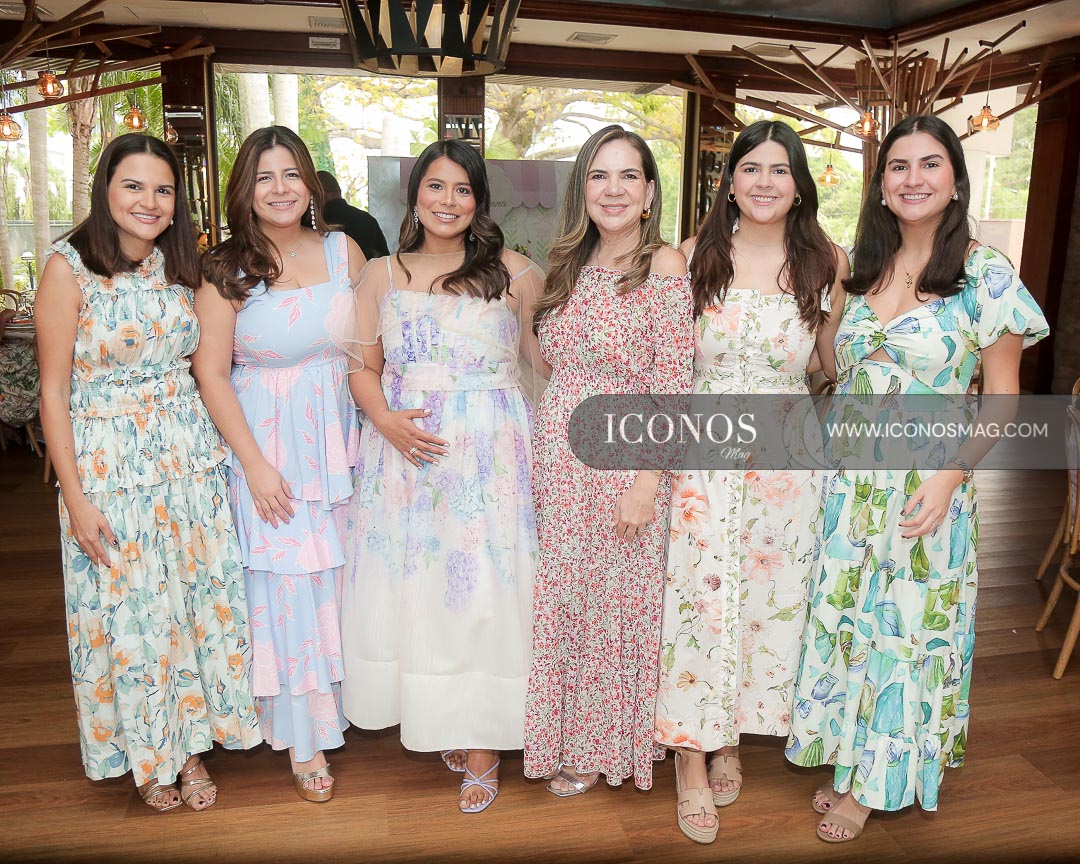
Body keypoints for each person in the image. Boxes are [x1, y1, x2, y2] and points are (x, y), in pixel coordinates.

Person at [785, 115, 1048, 842]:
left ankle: (878, 782)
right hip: (849, 482)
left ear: (956, 180)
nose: (913, 178)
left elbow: (1003, 396)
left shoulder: (985, 274)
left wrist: (952, 475)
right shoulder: (863, 268)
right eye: (898, 166)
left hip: (927, 481)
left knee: (902, 631)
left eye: (930, 164)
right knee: (850, 621)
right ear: (880, 187)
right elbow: (835, 371)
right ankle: (849, 757)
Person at [35, 133, 261, 813]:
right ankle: (150, 755)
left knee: (191, 606)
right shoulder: (68, 269)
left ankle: (192, 748)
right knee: (132, 615)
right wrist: (75, 498)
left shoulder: (182, 265)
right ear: (106, 189)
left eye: (163, 190)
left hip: (188, 460)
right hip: (110, 469)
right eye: (133, 186)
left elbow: (208, 362)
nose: (149, 202)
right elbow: (52, 391)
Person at [336, 138, 545, 815]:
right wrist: (386, 421)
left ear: (478, 201)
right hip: (406, 456)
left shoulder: (516, 272)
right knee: (422, 592)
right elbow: (362, 368)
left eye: (462, 189)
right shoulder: (381, 274)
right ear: (415, 194)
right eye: (435, 186)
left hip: (491, 454)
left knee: (485, 593)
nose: (447, 201)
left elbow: (546, 364)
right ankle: (441, 715)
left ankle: (484, 740)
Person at [655, 120, 848, 843]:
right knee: (698, 600)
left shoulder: (826, 261)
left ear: (799, 184)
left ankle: (730, 735)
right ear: (729, 181)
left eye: (779, 170)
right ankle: (689, 757)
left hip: (788, 459)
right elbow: (665, 363)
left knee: (767, 602)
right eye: (751, 168)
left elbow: (831, 362)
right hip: (703, 450)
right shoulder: (691, 257)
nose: (764, 182)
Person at [194, 126, 365, 802]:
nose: (280, 188)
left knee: (339, 576)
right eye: (264, 176)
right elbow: (211, 373)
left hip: (339, 442)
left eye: (291, 173)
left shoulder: (344, 251)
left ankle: (346, 706)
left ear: (311, 183)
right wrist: (256, 466)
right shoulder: (224, 269)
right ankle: (302, 739)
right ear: (245, 190)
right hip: (269, 446)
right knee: (288, 585)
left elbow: (369, 351)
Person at [523, 125, 694, 796]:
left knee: (612, 610)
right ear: (583, 190)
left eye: (628, 176)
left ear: (650, 193)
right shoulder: (568, 263)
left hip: (625, 463)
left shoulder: (663, 266)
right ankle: (565, 735)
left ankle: (601, 748)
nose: (613, 189)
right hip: (561, 465)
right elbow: (553, 362)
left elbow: (674, 385)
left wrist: (647, 483)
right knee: (568, 604)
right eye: (599, 175)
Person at [318, 170, 390, 261]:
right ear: (339, 190)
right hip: (369, 269)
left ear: (320, 193)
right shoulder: (367, 219)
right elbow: (384, 260)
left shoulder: (318, 223)